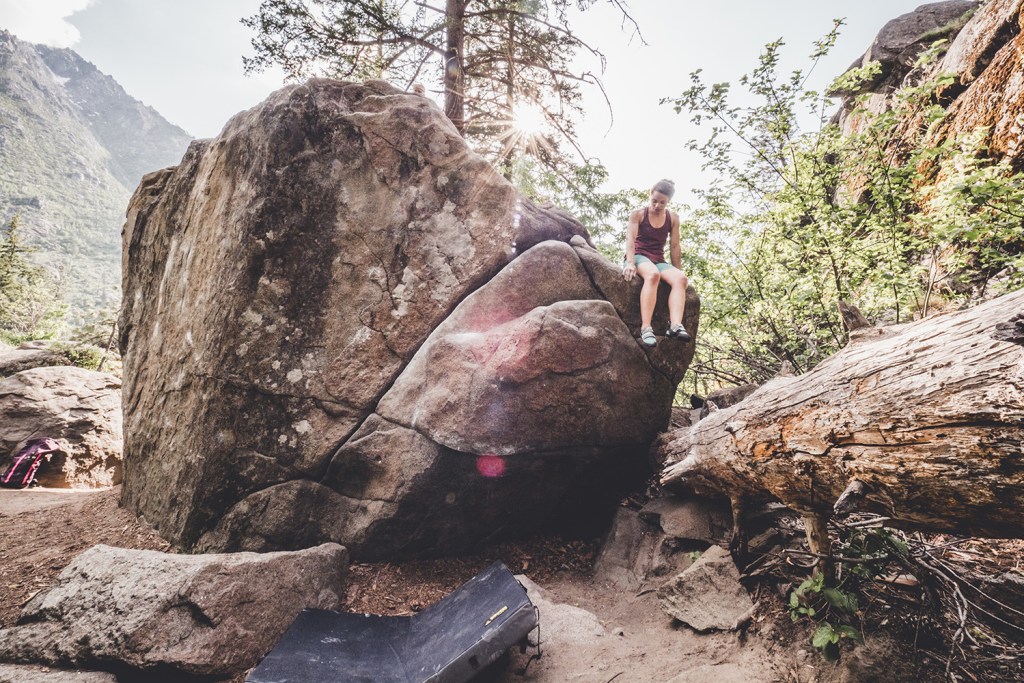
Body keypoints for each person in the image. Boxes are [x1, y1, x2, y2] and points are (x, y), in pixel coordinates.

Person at [621, 179, 691, 347]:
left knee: (681, 279)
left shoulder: (672, 218)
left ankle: (674, 326)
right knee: (653, 275)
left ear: (668, 202)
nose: (657, 205)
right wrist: (630, 263)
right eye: (655, 200)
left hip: (658, 259)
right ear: (650, 195)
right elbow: (630, 239)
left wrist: (677, 271)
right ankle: (646, 328)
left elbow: (674, 246)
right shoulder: (638, 214)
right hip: (638, 256)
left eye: (662, 202)